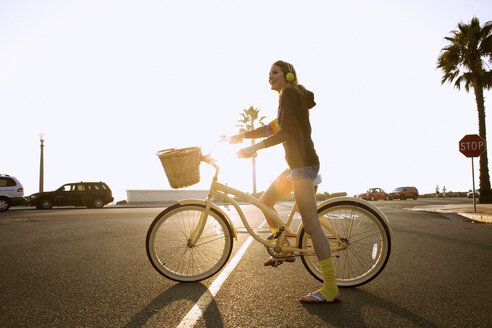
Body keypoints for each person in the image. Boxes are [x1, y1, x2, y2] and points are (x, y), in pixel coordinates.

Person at [227, 60, 340, 303]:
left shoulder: (289, 94)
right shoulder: (288, 97)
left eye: (275, 72)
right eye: (268, 73)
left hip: (303, 167)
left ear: (289, 75)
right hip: (296, 166)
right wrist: (242, 136)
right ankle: (285, 249)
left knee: (310, 224)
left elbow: (287, 132)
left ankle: (331, 288)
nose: (270, 76)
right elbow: (272, 128)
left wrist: (254, 147)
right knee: (266, 201)